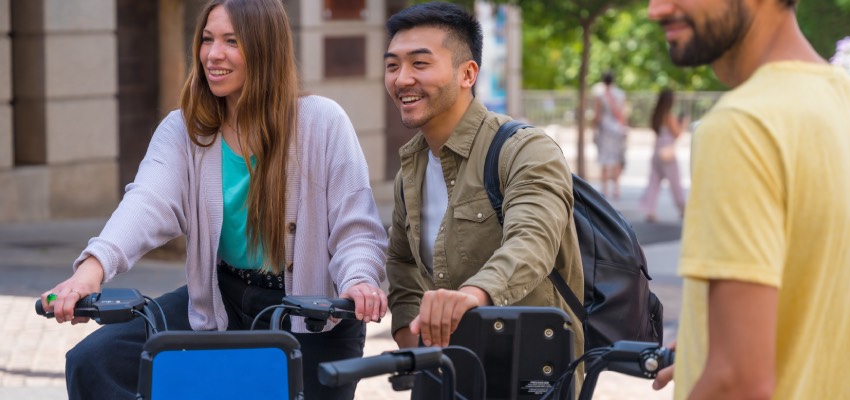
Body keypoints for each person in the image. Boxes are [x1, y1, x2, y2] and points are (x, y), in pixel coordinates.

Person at [38, 0, 387, 398]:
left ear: (264, 48)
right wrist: (90, 272)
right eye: (207, 39)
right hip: (223, 300)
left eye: (231, 41)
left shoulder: (322, 122)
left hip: (313, 315)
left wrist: (359, 280)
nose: (213, 54)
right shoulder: (185, 129)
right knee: (95, 360)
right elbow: (146, 201)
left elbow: (356, 228)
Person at [647, 0, 850, 399]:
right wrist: (709, 354)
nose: (655, 10)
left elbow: (739, 384)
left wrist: (728, 368)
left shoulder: (741, 126)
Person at [382, 1, 584, 358]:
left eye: (420, 63)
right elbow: (402, 261)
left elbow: (532, 241)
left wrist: (473, 296)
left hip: (529, 369)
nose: (402, 79)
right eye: (392, 65)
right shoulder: (409, 171)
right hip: (446, 372)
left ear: (468, 74)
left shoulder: (524, 149)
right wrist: (408, 333)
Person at [639, 88, 686, 222]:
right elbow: (676, 133)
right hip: (667, 152)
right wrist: (682, 125)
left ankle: (649, 210)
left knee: (653, 182)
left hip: (657, 150)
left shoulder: (657, 115)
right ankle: (683, 208)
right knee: (675, 182)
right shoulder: (669, 116)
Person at [592, 71, 629, 200]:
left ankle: (604, 189)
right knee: (617, 159)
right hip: (618, 130)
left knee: (604, 159)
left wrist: (593, 126)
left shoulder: (600, 95)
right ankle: (617, 188)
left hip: (605, 130)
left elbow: (596, 115)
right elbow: (623, 114)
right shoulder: (620, 94)